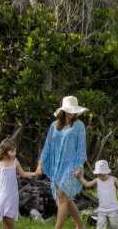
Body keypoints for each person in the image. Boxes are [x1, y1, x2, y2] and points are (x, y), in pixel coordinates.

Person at [36, 96, 89, 229]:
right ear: (63, 110)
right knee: (65, 198)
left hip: (72, 166)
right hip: (56, 166)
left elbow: (81, 148)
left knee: (61, 195)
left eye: (74, 110)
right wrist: (40, 163)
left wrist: (79, 166)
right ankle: (80, 226)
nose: (72, 113)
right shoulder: (54, 126)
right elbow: (47, 145)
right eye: (69, 110)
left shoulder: (79, 126)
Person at [0, 139, 37, 228]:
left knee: (8, 215)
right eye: (12, 151)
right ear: (5, 151)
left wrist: (35, 173)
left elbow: (23, 173)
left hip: (12, 193)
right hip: (1, 193)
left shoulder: (15, 162)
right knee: (4, 216)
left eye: (15, 150)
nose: (15, 153)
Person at [76, 159, 118, 229]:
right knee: (100, 226)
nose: (100, 176)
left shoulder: (113, 179)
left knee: (115, 225)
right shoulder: (97, 180)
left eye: (102, 174)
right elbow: (87, 184)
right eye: (98, 174)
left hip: (113, 208)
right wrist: (80, 178)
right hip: (102, 209)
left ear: (106, 172)